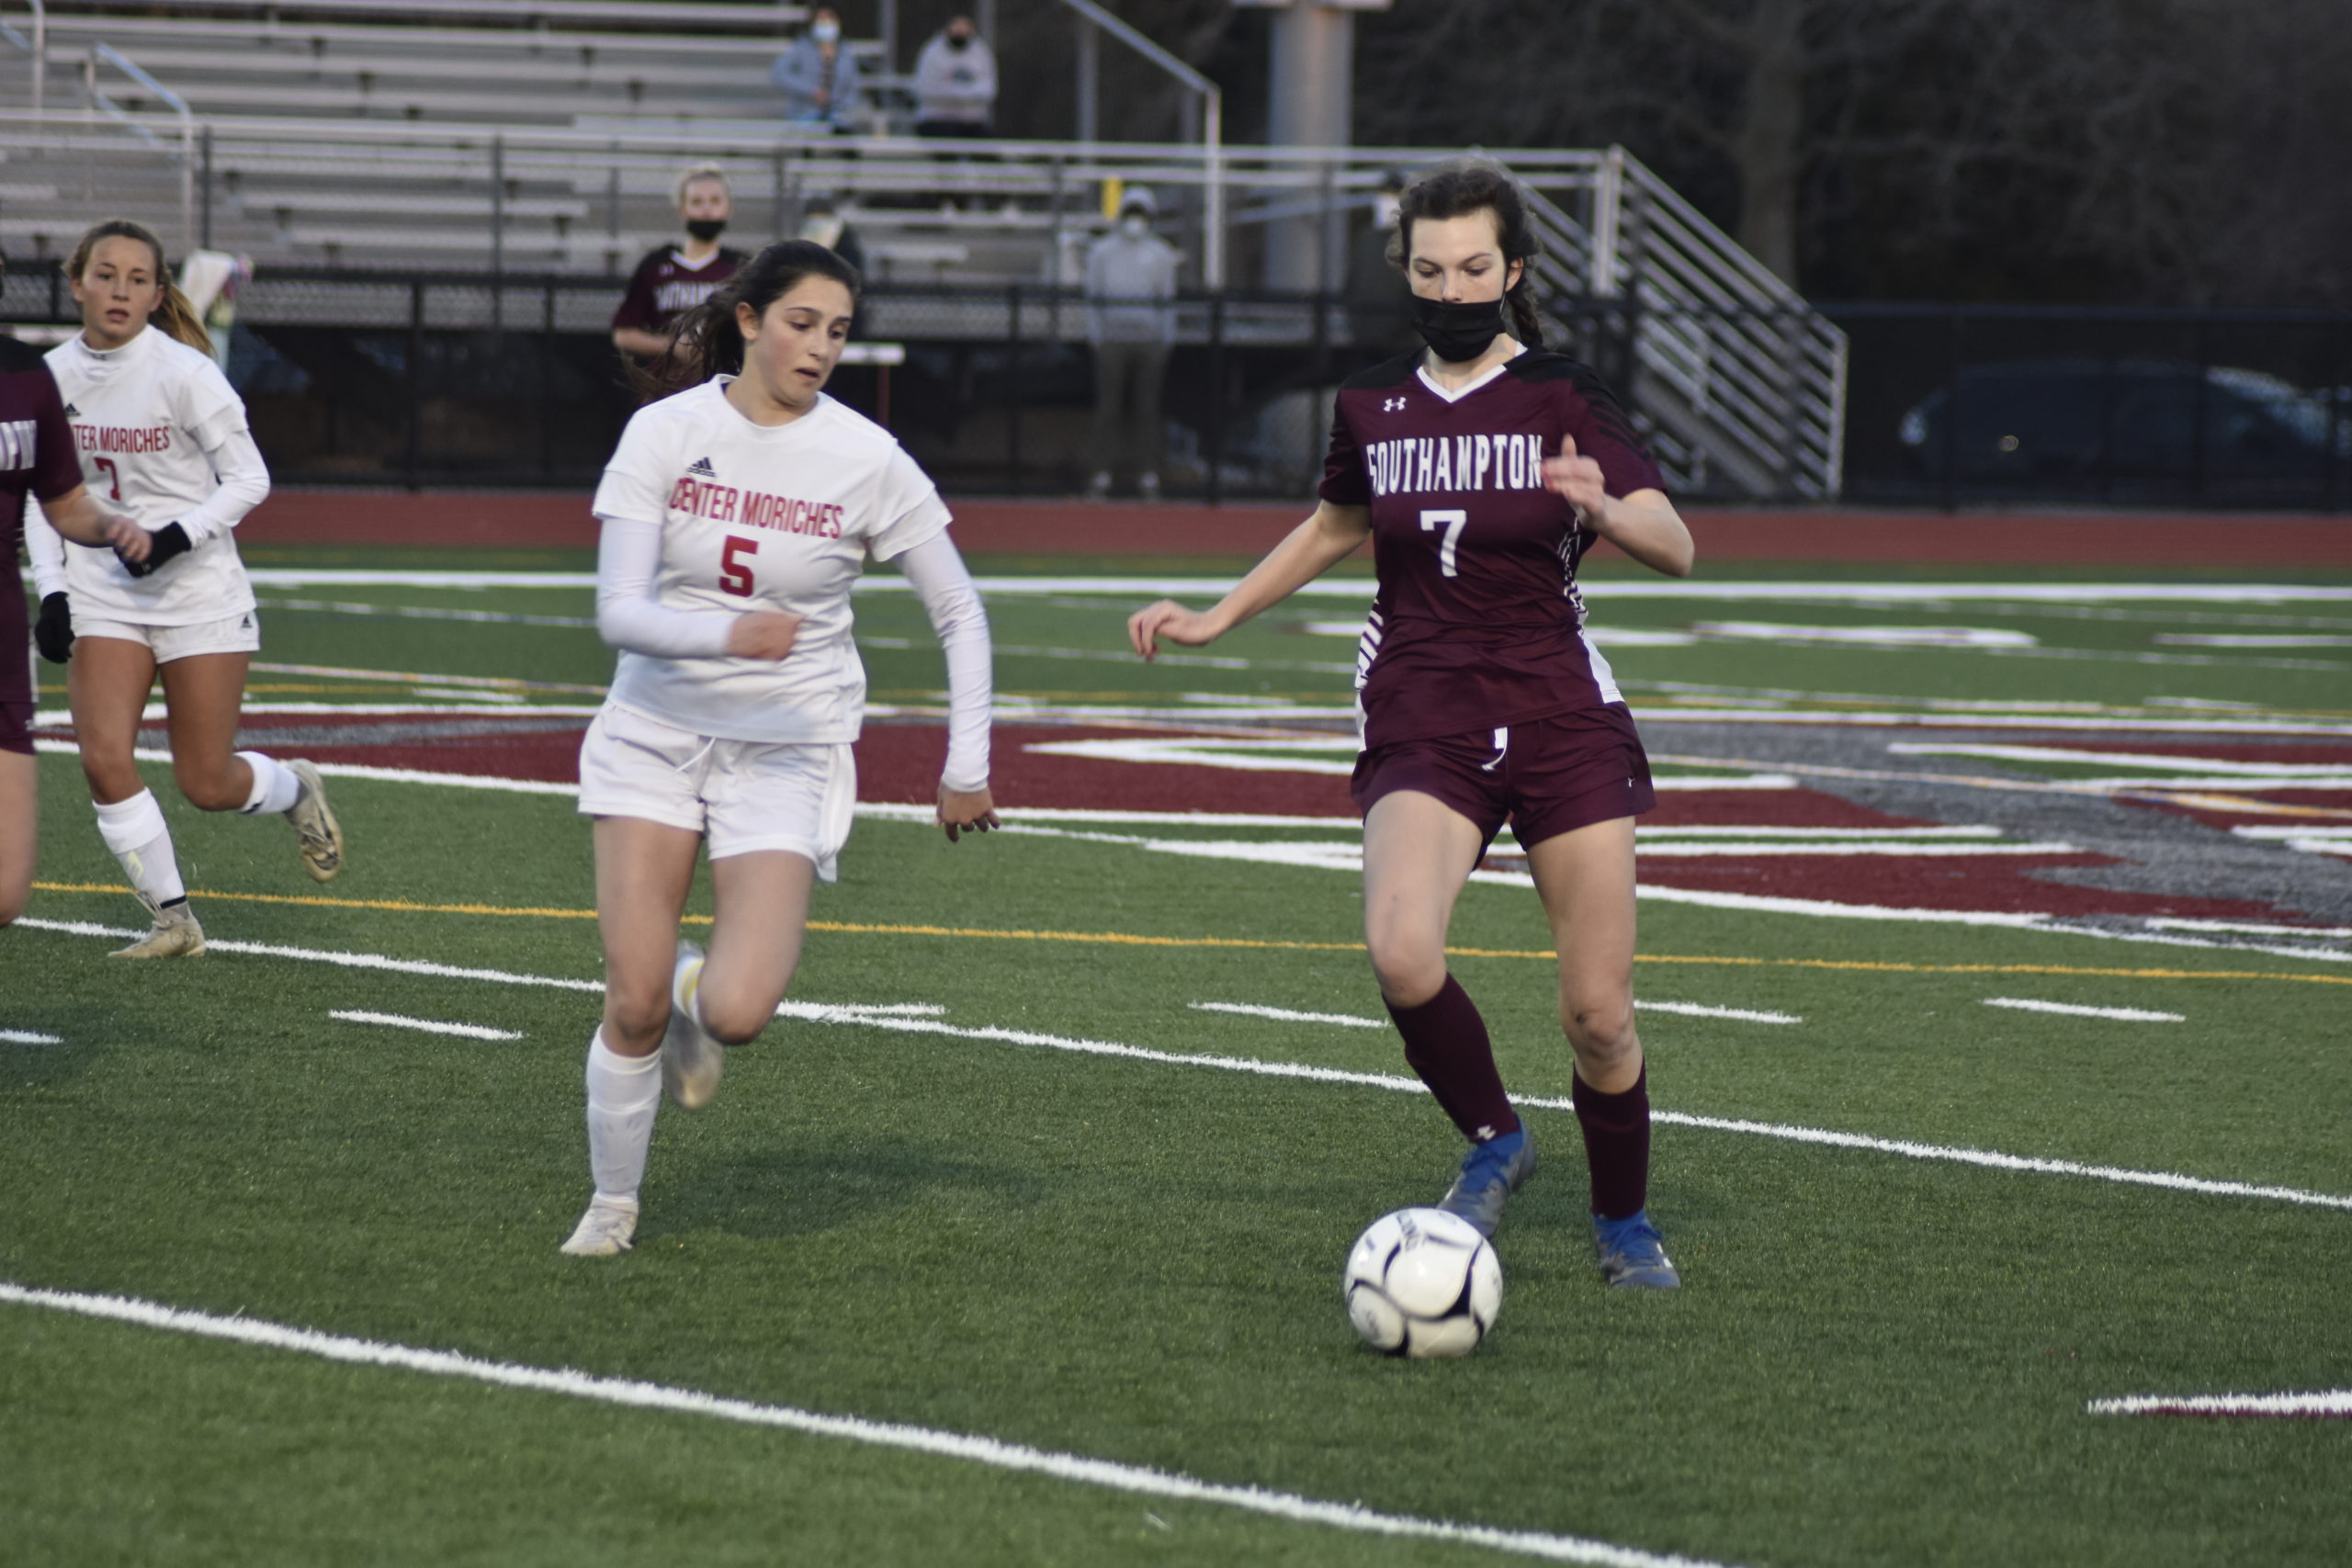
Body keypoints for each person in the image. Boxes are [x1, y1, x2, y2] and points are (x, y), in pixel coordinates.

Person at [1125, 161, 1696, 1291]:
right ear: (1407, 273)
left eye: (1475, 267)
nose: (1451, 288)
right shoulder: (1370, 401)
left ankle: (1624, 1222)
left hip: (1560, 710)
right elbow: (1335, 524)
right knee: (1400, 951)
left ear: (1513, 269)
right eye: (1429, 270)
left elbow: (1674, 542)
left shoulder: (1564, 394)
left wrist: (1606, 507)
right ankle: (1497, 1137)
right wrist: (1217, 617)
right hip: (1423, 707)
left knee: (1596, 1013)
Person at [560, 240, 999, 1258]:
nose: (820, 348)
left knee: (739, 1009)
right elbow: (618, 612)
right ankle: (613, 1204)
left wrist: (965, 765)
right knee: (626, 998)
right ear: (750, 320)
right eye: (801, 323)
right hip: (655, 732)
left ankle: (691, 999)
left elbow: (959, 611)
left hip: (788, 747)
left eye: (838, 332)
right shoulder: (665, 430)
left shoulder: (867, 456)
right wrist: (725, 633)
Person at [24, 219, 345, 959]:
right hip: (105, 593)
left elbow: (250, 479)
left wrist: (173, 536)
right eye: (105, 275)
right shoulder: (45, 379)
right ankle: (175, 921)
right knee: (104, 757)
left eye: (138, 279)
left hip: (199, 593)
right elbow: (45, 499)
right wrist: (54, 594)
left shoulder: (186, 373)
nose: (120, 290)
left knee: (207, 780)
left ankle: (294, 788)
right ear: (76, 283)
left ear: (157, 294)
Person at [1, 250, 153, 930]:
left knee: (5, 892)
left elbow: (62, 500)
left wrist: (110, 526)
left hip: (1, 646)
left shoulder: (24, 375)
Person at [1083, 186, 1182, 502]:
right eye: (1131, 213)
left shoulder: (1162, 254)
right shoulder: (1102, 252)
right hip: (1112, 339)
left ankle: (1148, 477)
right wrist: (1096, 337)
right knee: (1108, 409)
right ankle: (1100, 476)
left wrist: (1166, 339)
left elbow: (1166, 299)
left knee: (1147, 410)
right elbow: (1093, 297)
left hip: (1149, 340)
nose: (1135, 221)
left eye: (1141, 214)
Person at [611, 164, 751, 364]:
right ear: (682, 208)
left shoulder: (741, 268)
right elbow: (623, 334)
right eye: (697, 201)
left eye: (715, 200)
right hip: (666, 386)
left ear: (729, 208)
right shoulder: (655, 265)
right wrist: (671, 346)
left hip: (723, 385)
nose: (707, 208)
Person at [1344, 167, 1418, 369]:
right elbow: (1352, 284)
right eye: (1385, 195)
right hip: (1367, 341)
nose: (1387, 201)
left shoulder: (1416, 240)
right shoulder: (1365, 239)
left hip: (1399, 344)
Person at [771, 7, 862, 132]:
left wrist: (841, 105)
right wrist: (811, 92)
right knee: (809, 135)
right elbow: (780, 74)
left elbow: (854, 86)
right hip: (805, 113)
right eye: (821, 20)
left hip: (838, 115)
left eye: (830, 19)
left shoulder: (846, 51)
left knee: (843, 134)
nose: (826, 24)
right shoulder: (801, 47)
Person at [912, 14, 996, 139]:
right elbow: (925, 89)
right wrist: (965, 93)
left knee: (986, 148)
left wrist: (956, 92)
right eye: (956, 29)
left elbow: (989, 89)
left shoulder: (980, 53)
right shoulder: (933, 53)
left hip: (972, 121)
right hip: (937, 119)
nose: (960, 33)